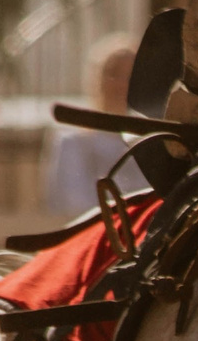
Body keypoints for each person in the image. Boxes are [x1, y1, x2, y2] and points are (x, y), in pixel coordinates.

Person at [39, 33, 147, 221]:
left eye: (130, 75)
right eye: (115, 74)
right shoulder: (72, 141)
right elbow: (73, 203)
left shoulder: (150, 140)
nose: (122, 84)